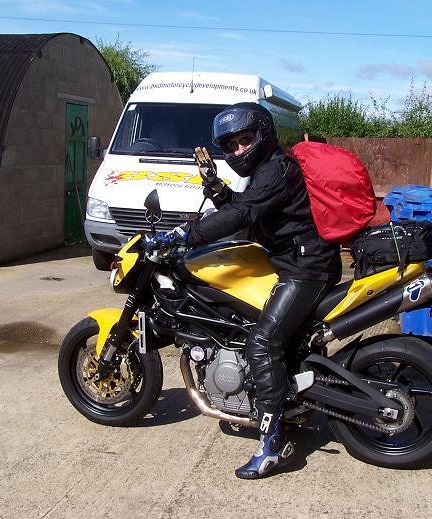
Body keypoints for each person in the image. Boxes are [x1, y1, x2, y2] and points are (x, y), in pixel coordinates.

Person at [150, 102, 342, 479]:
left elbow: (242, 215)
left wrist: (185, 234)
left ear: (264, 134)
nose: (238, 150)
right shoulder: (267, 170)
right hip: (295, 261)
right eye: (230, 145)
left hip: (306, 268)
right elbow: (248, 209)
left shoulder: (276, 169)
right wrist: (216, 188)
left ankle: (273, 445)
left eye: (245, 140)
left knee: (262, 342)